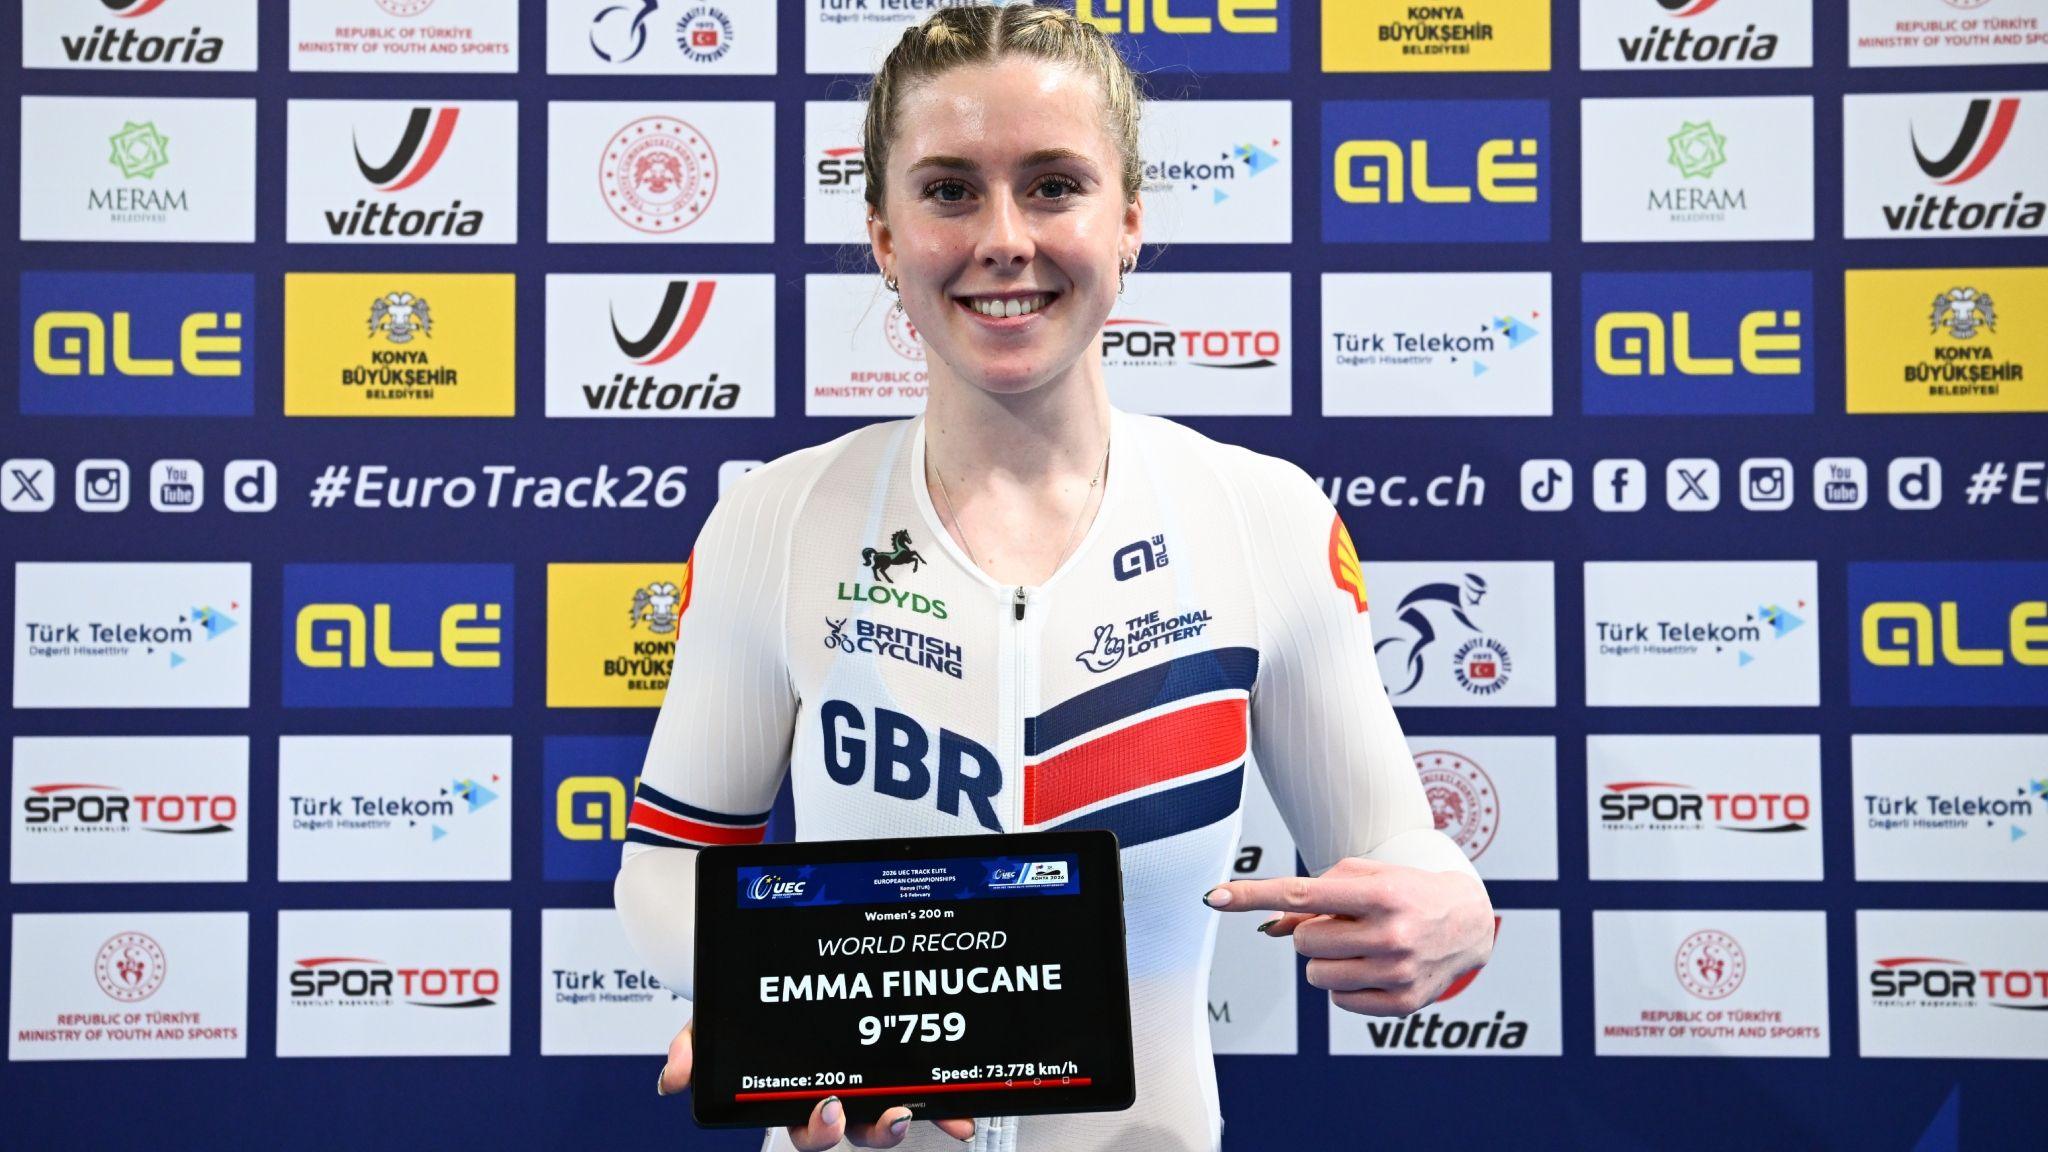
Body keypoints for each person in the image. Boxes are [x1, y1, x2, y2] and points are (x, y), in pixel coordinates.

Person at [614, 6, 1496, 1150]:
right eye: (947, 191)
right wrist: (789, 1001)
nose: (1002, 238)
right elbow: (666, 868)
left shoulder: (1260, 518)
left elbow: (1392, 848)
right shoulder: (773, 522)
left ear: (1126, 222)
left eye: (1051, 186)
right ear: (882, 235)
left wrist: (1449, 904)